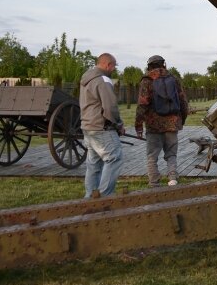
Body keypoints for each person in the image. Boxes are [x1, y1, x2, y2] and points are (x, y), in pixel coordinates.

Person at [135, 55, 189, 187]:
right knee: (171, 154)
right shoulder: (174, 79)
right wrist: (181, 119)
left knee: (152, 155)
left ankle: (154, 182)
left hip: (154, 125)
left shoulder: (147, 80)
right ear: (164, 64)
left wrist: (138, 124)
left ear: (149, 66)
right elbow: (183, 102)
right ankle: (172, 179)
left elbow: (142, 104)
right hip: (172, 123)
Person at [79, 52, 125, 198]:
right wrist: (119, 125)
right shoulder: (103, 79)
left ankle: (90, 196)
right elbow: (110, 107)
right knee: (114, 157)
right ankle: (104, 197)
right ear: (107, 64)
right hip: (102, 128)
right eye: (113, 66)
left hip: (88, 127)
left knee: (93, 164)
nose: (113, 69)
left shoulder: (87, 78)